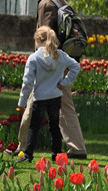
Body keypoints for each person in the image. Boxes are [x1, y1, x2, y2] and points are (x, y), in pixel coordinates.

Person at [7, 0, 87, 160]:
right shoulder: (62, 3)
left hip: (48, 70)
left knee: (32, 106)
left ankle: (23, 148)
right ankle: (77, 147)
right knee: (66, 108)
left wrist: (39, 62)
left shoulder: (45, 4)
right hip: (62, 63)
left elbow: (45, 35)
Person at [16, 27, 80, 164]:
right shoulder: (60, 55)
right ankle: (57, 153)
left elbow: (27, 82)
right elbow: (76, 66)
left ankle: (28, 154)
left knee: (34, 126)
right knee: (54, 126)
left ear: (38, 40)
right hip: (56, 95)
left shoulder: (34, 58)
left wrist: (22, 102)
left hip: (39, 97)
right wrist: (65, 82)